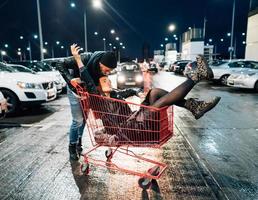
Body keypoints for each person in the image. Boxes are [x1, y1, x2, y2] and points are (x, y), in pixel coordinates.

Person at [69, 44, 221, 143]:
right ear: (98, 88)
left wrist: (138, 91)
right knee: (156, 107)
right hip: (128, 130)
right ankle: (196, 78)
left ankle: (192, 105)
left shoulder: (114, 95)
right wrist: (78, 60)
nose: (108, 80)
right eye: (104, 80)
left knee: (154, 93)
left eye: (108, 78)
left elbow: (126, 92)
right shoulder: (99, 101)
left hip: (133, 121)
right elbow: (89, 81)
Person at [55, 45, 117, 161]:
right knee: (77, 120)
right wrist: (70, 80)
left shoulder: (102, 71)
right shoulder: (85, 58)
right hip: (75, 91)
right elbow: (60, 63)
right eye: (106, 69)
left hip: (88, 92)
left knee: (84, 118)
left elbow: (100, 86)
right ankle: (72, 146)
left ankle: (78, 141)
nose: (107, 73)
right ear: (100, 62)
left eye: (110, 71)